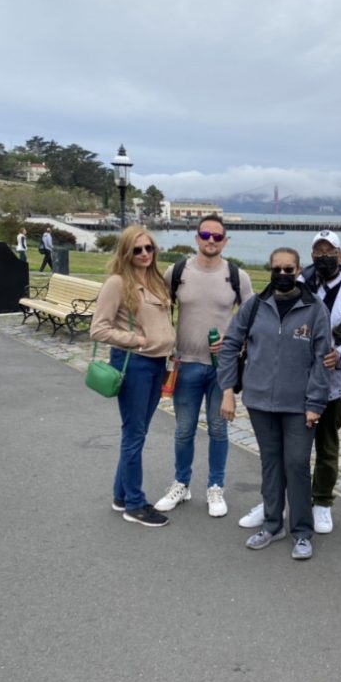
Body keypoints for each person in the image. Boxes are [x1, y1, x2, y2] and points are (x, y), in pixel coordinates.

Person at [217, 247, 331, 560]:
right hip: (259, 401)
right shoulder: (254, 306)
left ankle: (302, 531)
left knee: (296, 464)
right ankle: (271, 523)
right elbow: (230, 346)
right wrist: (228, 389)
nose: (283, 274)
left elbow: (323, 361)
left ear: (298, 270)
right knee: (270, 464)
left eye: (289, 269)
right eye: (277, 269)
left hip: (299, 405)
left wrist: (315, 404)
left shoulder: (314, 308)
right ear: (270, 269)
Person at [155, 214, 253, 518]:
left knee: (218, 430)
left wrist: (231, 338)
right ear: (197, 237)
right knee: (183, 431)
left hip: (222, 368)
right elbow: (159, 308)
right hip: (185, 364)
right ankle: (181, 485)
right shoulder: (178, 271)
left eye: (217, 237)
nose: (211, 241)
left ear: (225, 241)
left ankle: (215, 487)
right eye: (206, 235)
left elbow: (251, 319)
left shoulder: (237, 276)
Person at [90, 226, 176, 527]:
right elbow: (98, 328)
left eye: (148, 248)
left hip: (157, 364)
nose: (144, 254)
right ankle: (135, 504)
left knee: (137, 432)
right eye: (137, 249)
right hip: (135, 364)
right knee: (134, 433)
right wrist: (136, 340)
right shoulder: (117, 283)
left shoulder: (155, 280)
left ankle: (121, 495)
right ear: (126, 252)